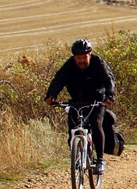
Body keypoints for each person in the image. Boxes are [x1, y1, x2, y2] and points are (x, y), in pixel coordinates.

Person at [44, 38, 116, 175]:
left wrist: (109, 95)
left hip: (97, 101)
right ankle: (76, 155)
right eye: (78, 58)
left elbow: (109, 79)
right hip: (76, 101)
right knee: (72, 129)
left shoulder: (98, 63)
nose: (82, 61)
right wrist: (51, 95)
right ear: (74, 57)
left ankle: (100, 160)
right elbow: (59, 79)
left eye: (84, 57)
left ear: (89, 55)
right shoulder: (69, 65)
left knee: (96, 123)